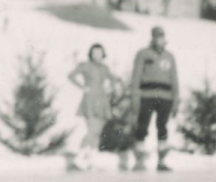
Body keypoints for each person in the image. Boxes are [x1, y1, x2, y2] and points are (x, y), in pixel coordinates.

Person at [66, 43, 123, 171]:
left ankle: (90, 158)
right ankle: (80, 157)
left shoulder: (104, 68)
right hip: (90, 99)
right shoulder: (85, 66)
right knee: (92, 129)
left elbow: (113, 79)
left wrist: (110, 88)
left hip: (102, 100)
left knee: (98, 130)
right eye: (94, 52)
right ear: (90, 54)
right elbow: (71, 75)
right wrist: (82, 87)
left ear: (103, 54)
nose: (97, 55)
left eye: (99, 52)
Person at [130, 26, 179, 172]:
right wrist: (134, 95)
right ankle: (139, 159)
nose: (160, 40)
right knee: (142, 126)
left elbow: (174, 79)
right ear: (152, 38)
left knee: (162, 127)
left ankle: (162, 160)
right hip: (147, 96)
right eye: (157, 37)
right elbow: (136, 76)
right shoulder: (143, 54)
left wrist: (176, 99)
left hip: (165, 97)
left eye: (162, 37)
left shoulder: (169, 57)